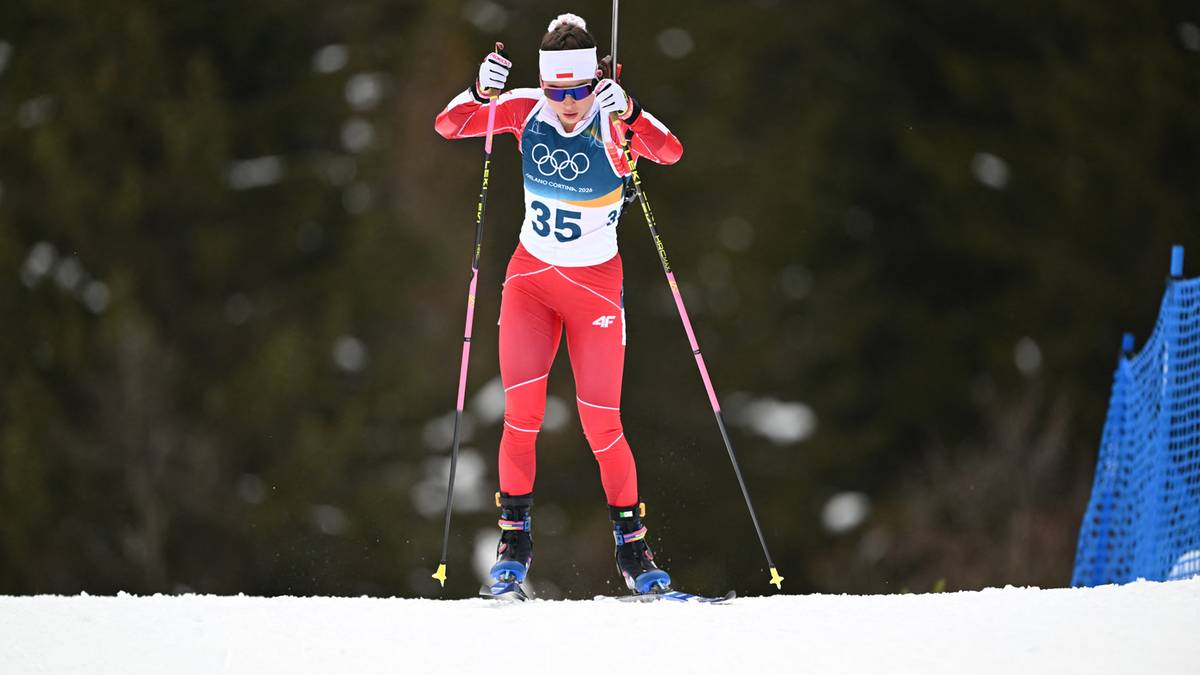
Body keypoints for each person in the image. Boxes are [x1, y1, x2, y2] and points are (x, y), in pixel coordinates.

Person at [435, 12, 683, 595]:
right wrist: (480, 91)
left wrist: (631, 111)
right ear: (543, 83)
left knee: (602, 423)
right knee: (521, 415)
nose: (568, 104)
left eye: (578, 90)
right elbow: (450, 126)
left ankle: (633, 549)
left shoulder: (613, 119)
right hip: (531, 283)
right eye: (556, 91)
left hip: (595, 290)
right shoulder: (526, 110)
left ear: (596, 80)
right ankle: (514, 542)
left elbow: (669, 152)